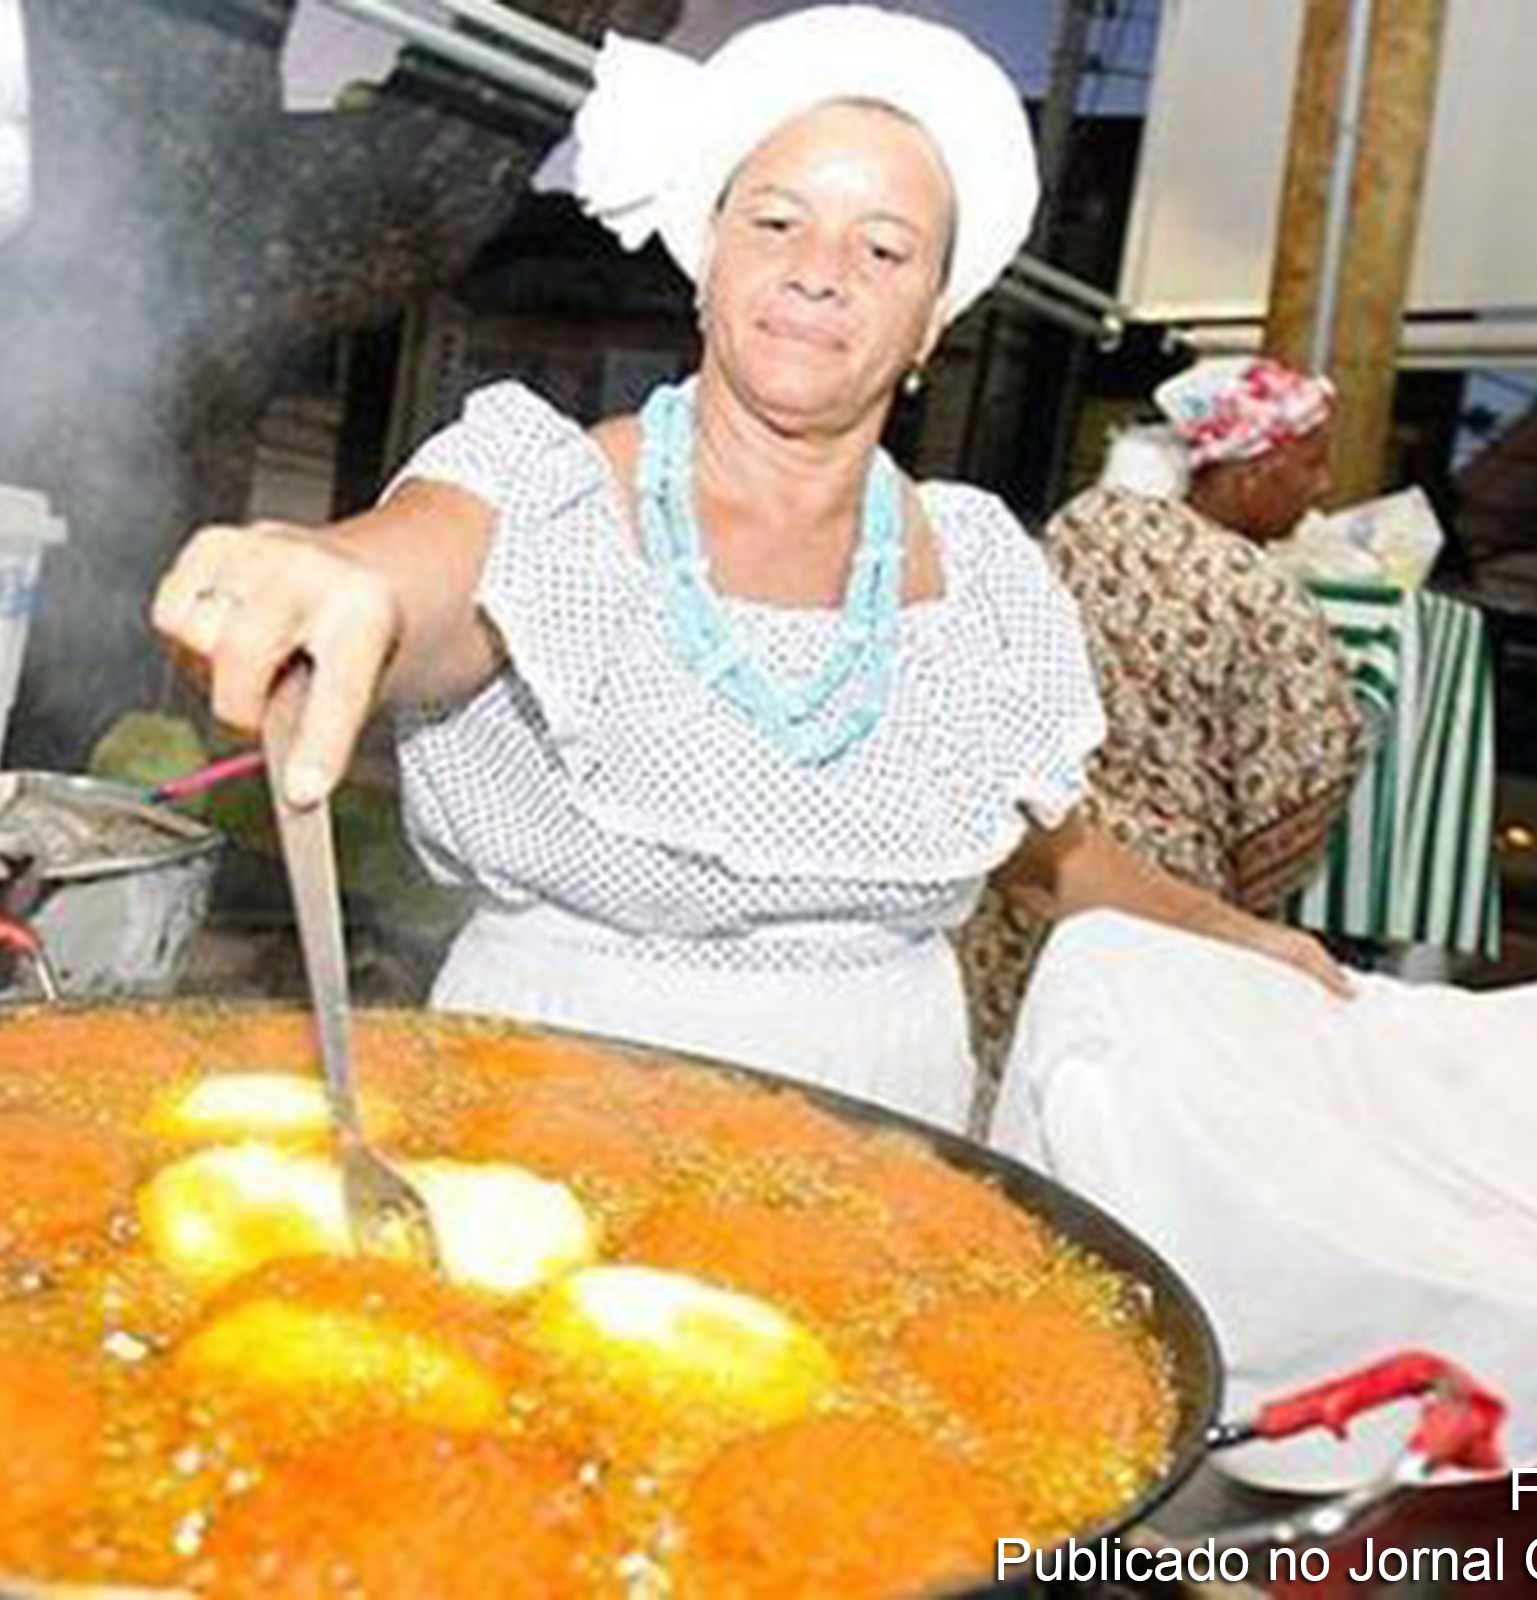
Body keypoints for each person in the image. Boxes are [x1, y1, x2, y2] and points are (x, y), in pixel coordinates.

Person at [152, 8, 1341, 1134]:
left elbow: (1037, 848)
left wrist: (1226, 931)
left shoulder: (979, 570)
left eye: (885, 247)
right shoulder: (555, 485)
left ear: (933, 320)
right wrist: (330, 571)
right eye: (775, 222)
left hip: (889, 1123)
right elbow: (429, 565)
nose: (822, 267)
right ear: (708, 258)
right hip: (553, 1086)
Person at [960, 356, 1367, 1076]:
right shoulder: (1261, 596)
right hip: (1164, 914)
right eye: (1310, 463)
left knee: (998, 1089)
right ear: (1251, 469)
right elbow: (1309, 782)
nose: (1322, 485)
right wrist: (1238, 892)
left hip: (1031, 868)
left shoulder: (1085, 523)